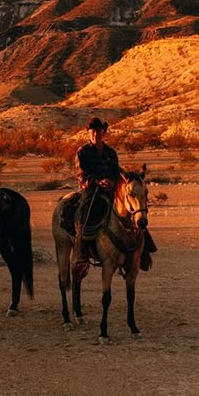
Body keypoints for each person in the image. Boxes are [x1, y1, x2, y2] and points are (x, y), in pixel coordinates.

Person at [73, 116, 156, 279]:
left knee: (134, 210)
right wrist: (98, 181)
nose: (96, 134)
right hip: (90, 189)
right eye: (93, 131)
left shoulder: (110, 152)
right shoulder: (83, 152)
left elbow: (116, 171)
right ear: (88, 133)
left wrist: (115, 181)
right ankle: (82, 255)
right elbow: (81, 173)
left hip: (111, 189)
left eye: (98, 131)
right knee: (86, 212)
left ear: (103, 132)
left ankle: (142, 252)